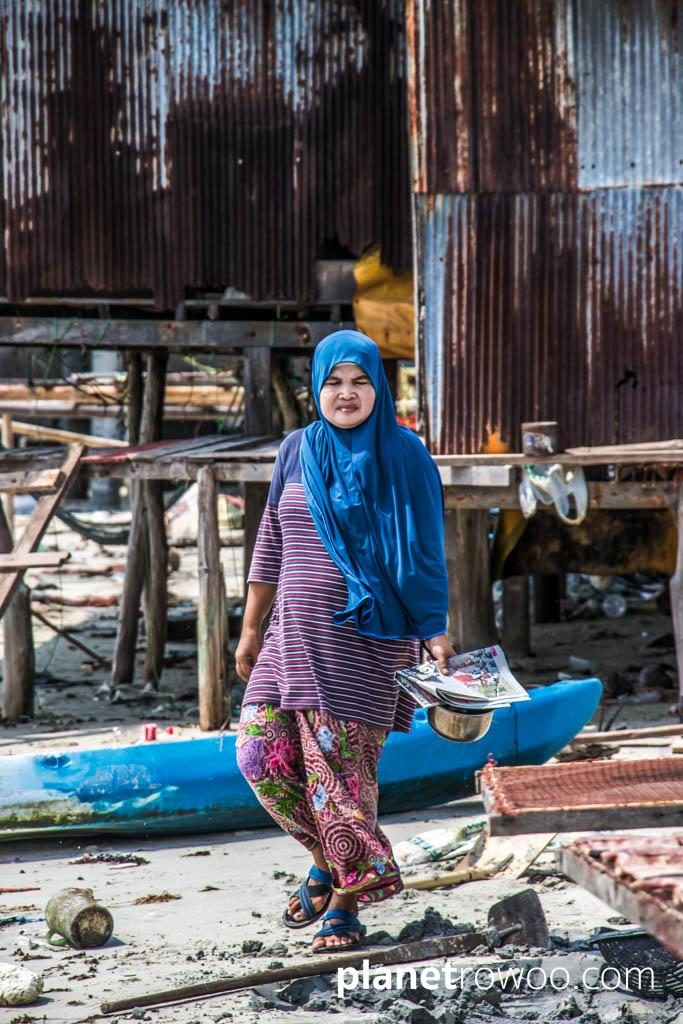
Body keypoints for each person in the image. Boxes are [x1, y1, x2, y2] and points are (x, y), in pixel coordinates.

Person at [234, 329, 454, 953]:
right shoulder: (296, 449)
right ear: (317, 387)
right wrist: (251, 628)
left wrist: (434, 630)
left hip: (365, 640)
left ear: (379, 388)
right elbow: (271, 538)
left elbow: (424, 548)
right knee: (258, 756)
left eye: (360, 382)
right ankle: (334, 862)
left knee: (339, 775)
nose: (346, 393)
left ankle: (347, 906)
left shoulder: (404, 453)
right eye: (333, 382)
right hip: (288, 636)